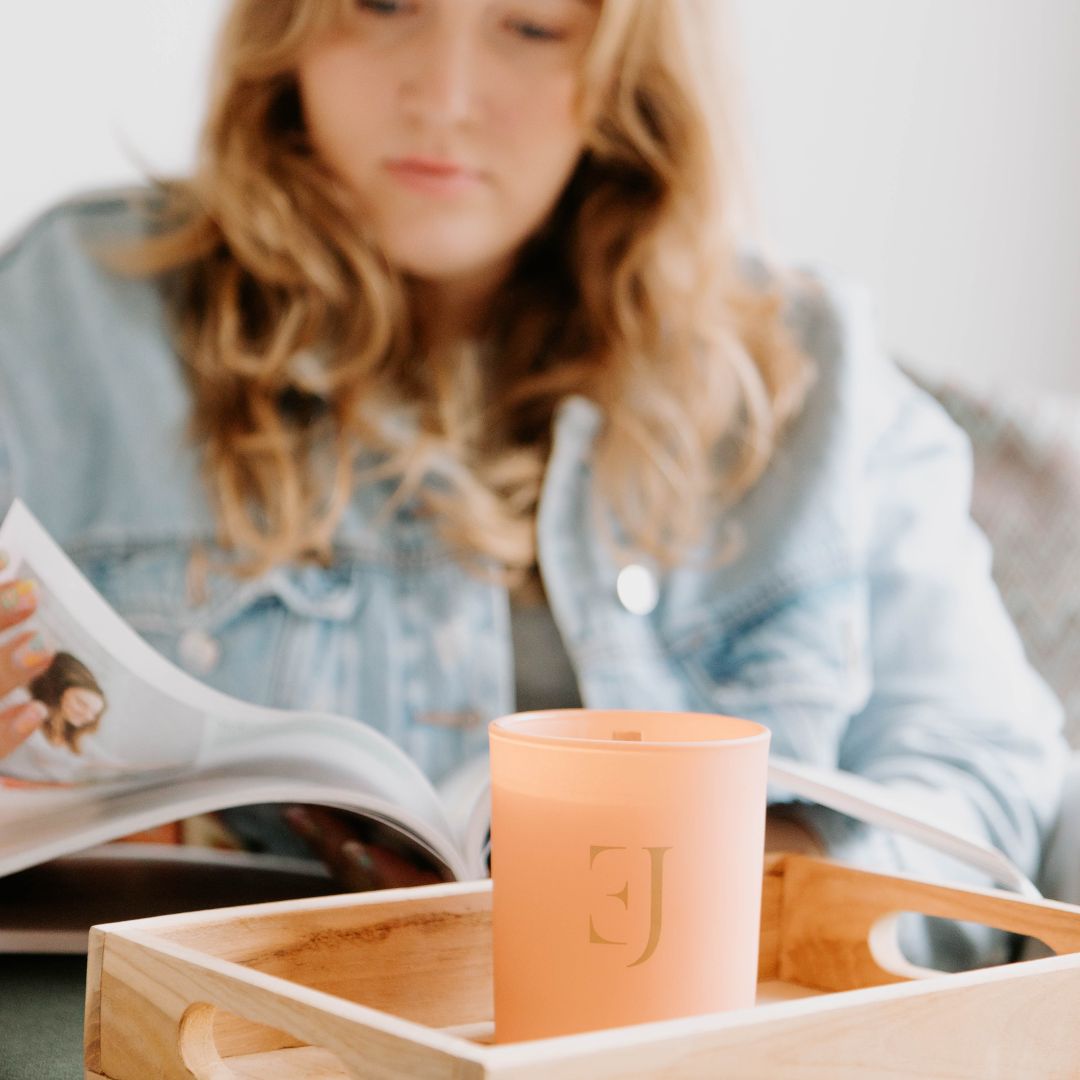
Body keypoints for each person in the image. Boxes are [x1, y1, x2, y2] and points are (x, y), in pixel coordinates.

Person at [0, 0, 1066, 969]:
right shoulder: (74, 318)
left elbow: (987, 786)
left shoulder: (810, 376)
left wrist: (710, 899)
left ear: (630, 67)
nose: (445, 98)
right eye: (384, 5)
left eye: (533, 26)